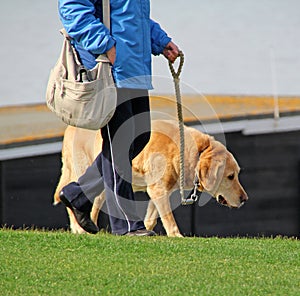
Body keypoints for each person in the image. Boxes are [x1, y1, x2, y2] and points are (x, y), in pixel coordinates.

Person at [58, 0, 180, 236]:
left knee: (140, 136)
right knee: (120, 143)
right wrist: (105, 45)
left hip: (133, 67)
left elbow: (133, 18)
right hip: (109, 67)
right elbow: (72, 9)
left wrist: (160, 41)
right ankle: (125, 226)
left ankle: (78, 195)